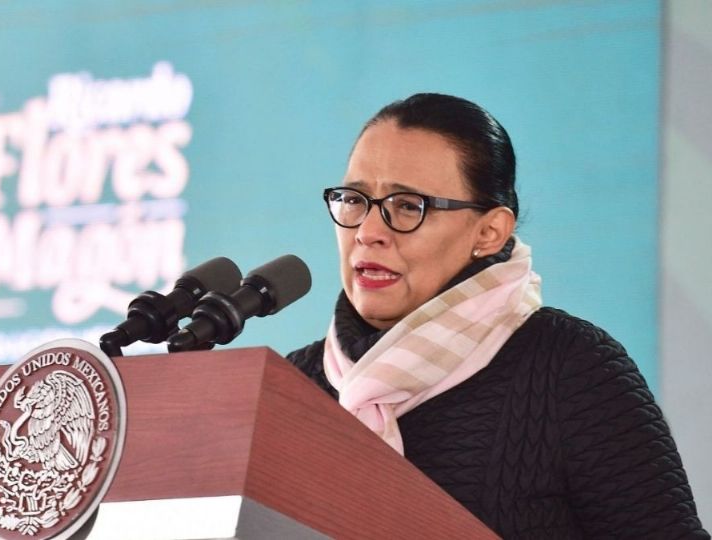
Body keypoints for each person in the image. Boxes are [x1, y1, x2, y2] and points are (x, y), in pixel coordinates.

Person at [287, 93, 708, 538]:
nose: (369, 233)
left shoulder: (571, 369)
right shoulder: (295, 383)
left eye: (408, 206)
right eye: (354, 200)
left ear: (489, 232)